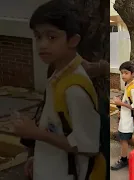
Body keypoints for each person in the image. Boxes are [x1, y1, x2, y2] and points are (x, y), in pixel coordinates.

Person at [13, 1, 100, 180]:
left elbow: (87, 146)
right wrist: (39, 159)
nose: (42, 44)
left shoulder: (74, 89)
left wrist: (36, 133)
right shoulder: (58, 75)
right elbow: (58, 130)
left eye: (51, 37)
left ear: (73, 40)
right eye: (38, 37)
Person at [111, 61, 134, 170]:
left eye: (126, 73)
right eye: (122, 73)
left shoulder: (133, 88)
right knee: (125, 138)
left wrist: (120, 104)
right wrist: (120, 108)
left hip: (128, 120)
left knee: (124, 140)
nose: (123, 75)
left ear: (133, 74)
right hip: (125, 117)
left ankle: (124, 159)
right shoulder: (129, 84)